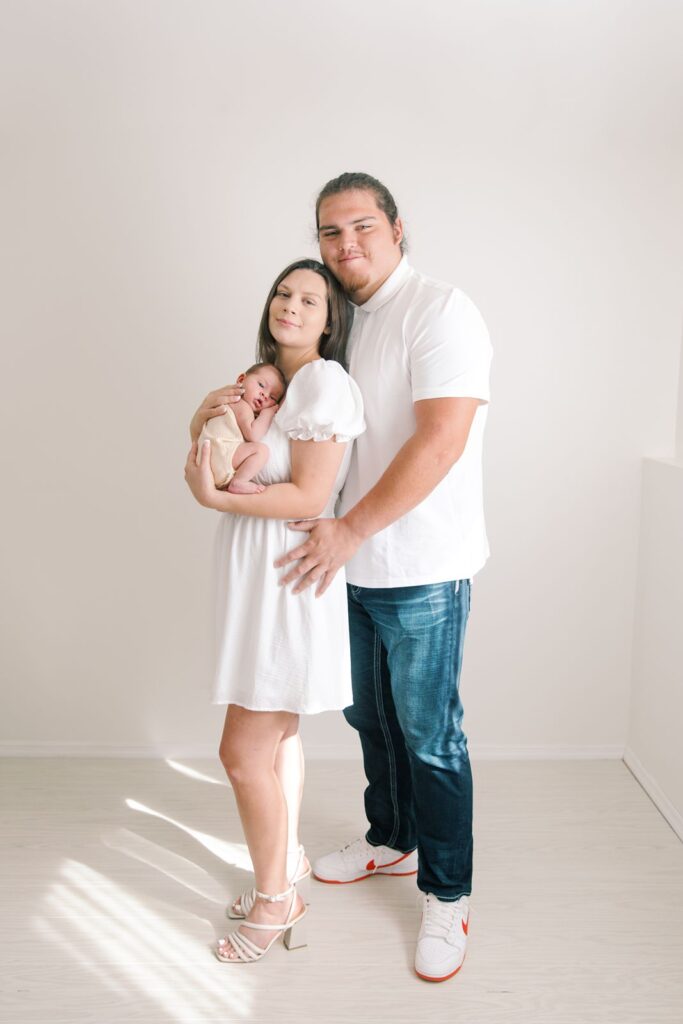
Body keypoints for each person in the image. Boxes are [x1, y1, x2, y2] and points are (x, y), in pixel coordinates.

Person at [275, 173, 492, 983]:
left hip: (424, 567)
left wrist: (349, 530)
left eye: (361, 226)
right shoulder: (347, 321)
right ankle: (390, 841)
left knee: (431, 737)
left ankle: (447, 893)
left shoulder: (441, 311)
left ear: (398, 228)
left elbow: (439, 441)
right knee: (371, 719)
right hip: (350, 566)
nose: (345, 245)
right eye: (330, 232)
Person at [184, 257, 364, 964]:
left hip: (283, 581)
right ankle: (282, 870)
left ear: (330, 320)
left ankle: (274, 902)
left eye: (310, 300)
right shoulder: (271, 385)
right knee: (277, 737)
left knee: (241, 752)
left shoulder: (321, 381)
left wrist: (216, 500)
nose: (290, 306)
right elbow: (219, 452)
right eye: (283, 293)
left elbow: (311, 497)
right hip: (263, 578)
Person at [197, 362, 285, 493]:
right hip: (220, 455)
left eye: (272, 397)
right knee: (261, 451)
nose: (265, 395)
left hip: (212, 461)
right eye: (261, 385)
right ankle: (239, 482)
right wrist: (268, 413)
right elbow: (253, 435)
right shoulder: (240, 404)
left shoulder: (234, 405)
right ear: (241, 380)